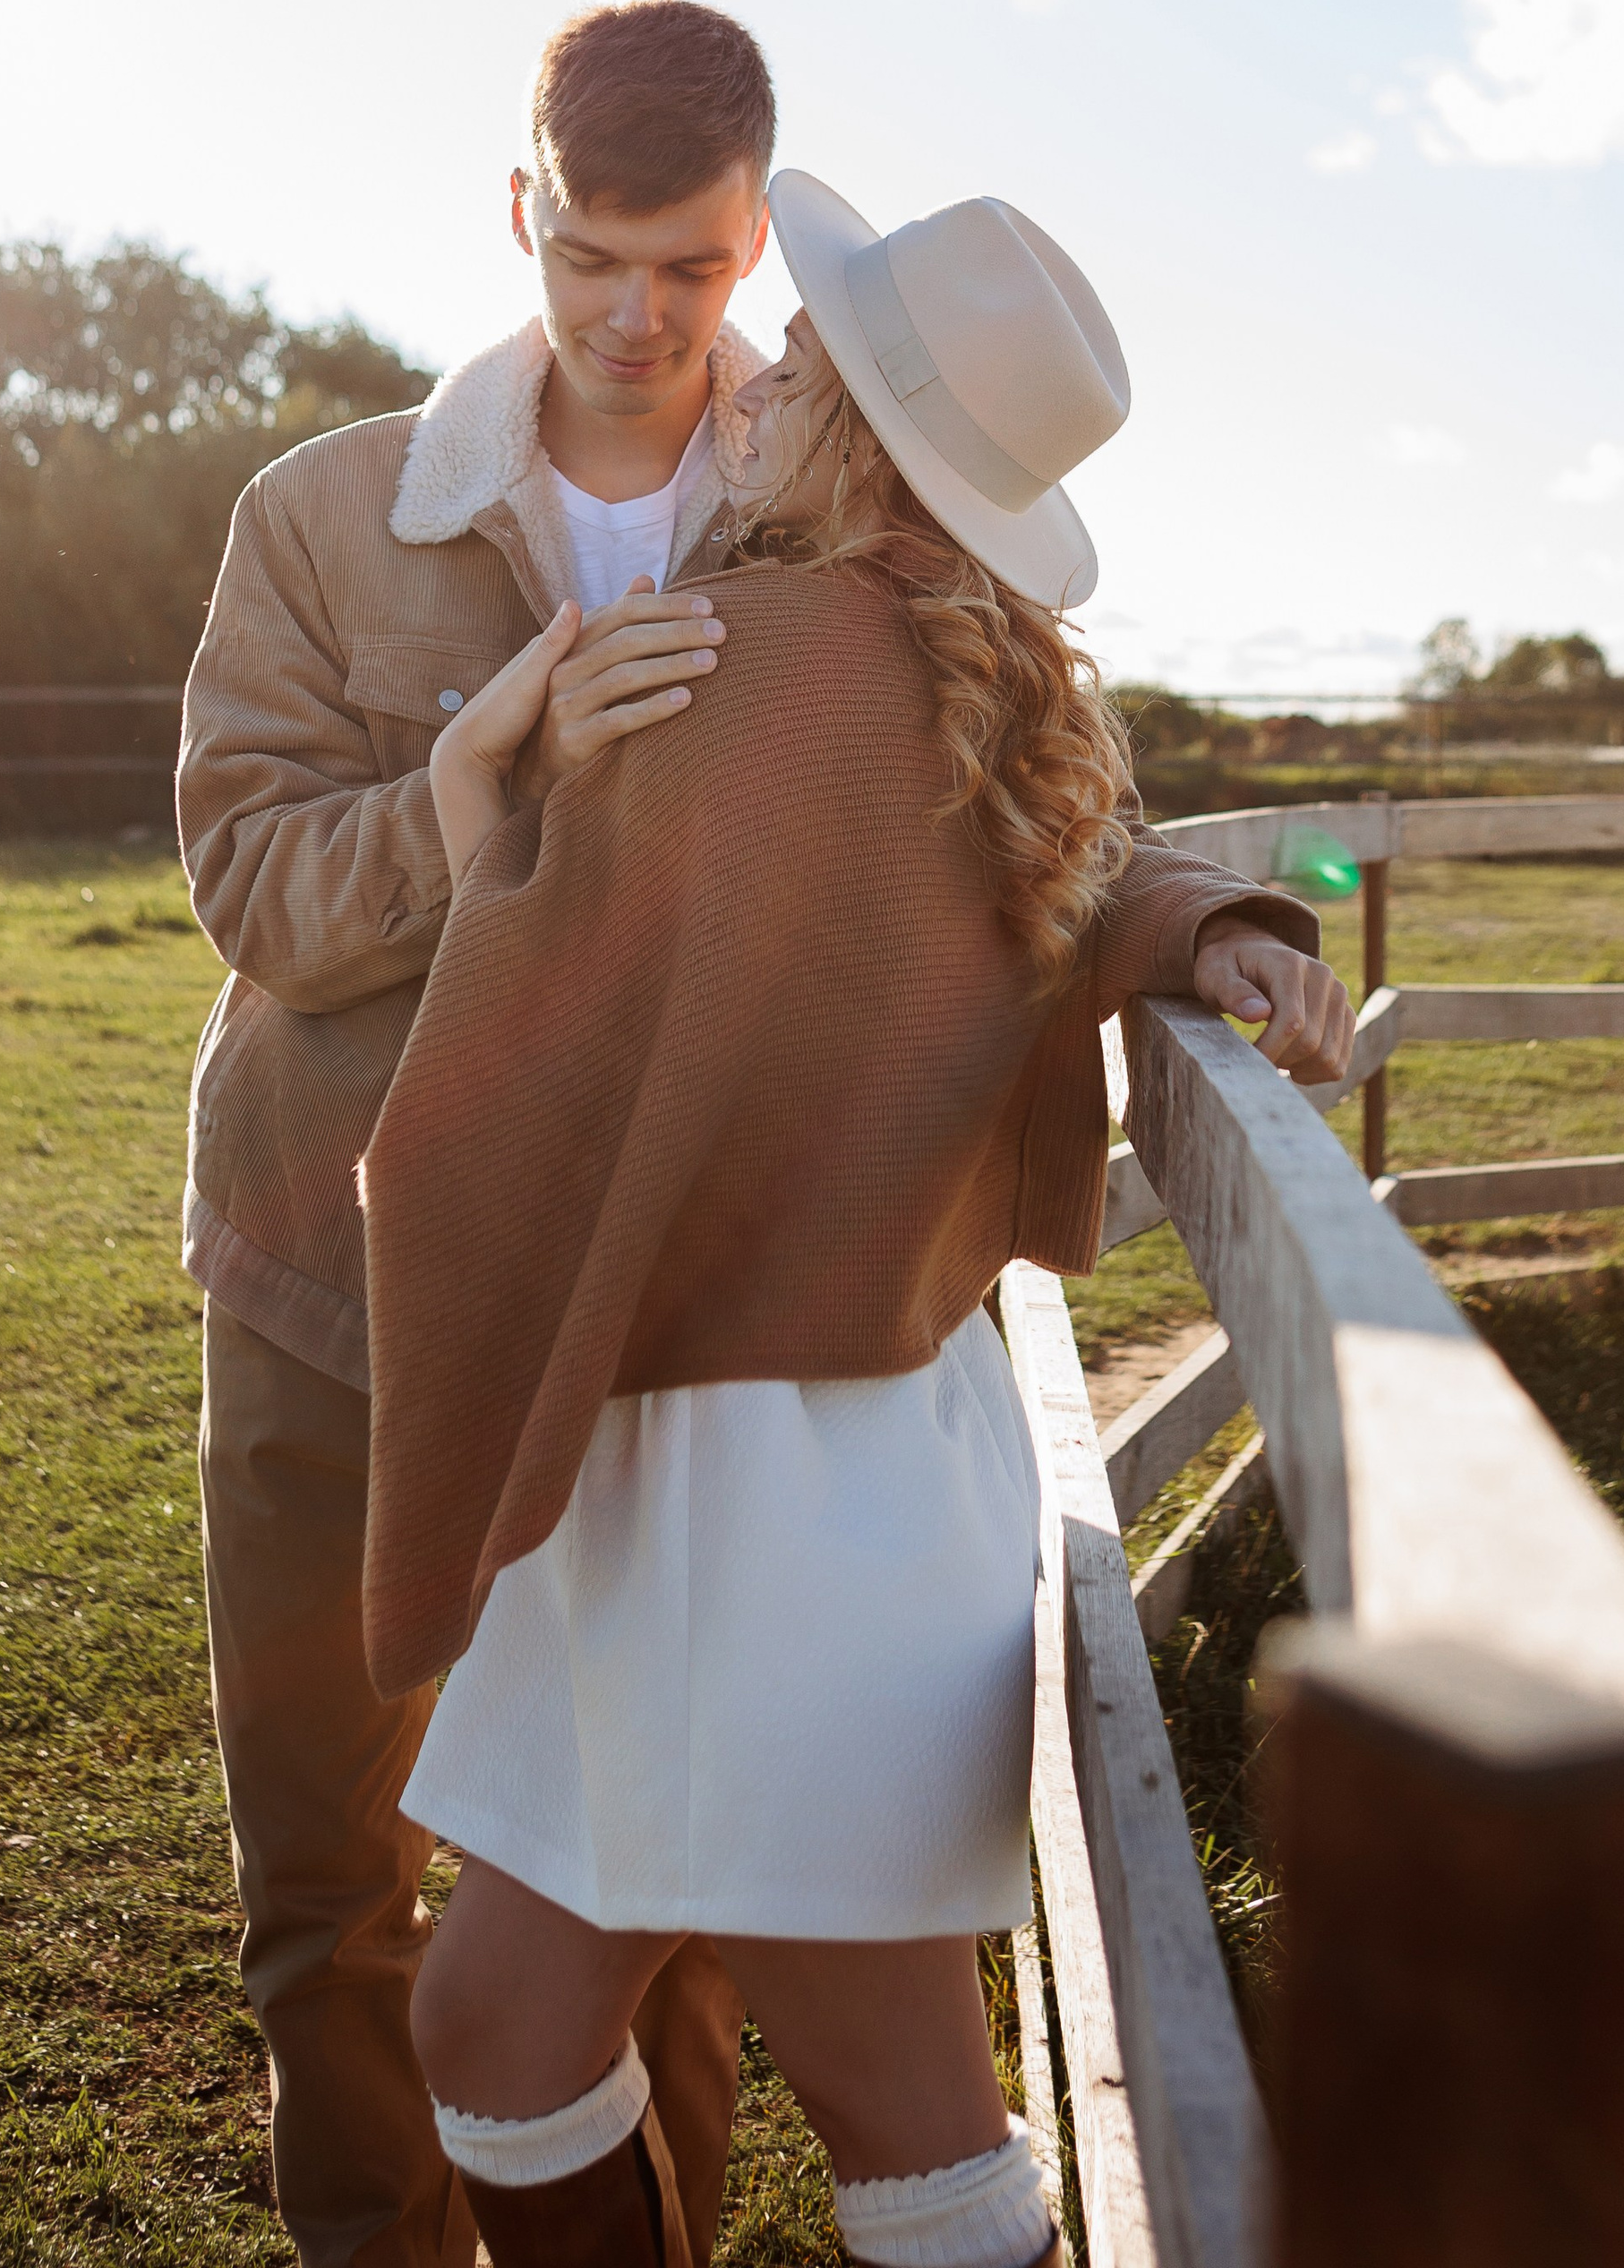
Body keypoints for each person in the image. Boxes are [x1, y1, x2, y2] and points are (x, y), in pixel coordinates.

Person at [357, 171, 1356, 2268]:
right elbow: (1091, 877)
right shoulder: (992, 681)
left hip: (733, 1480)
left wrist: (481, 800)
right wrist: (1222, 929)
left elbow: (523, 1060)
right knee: (500, 2021)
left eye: (809, 355)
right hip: (846, 1469)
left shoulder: (740, 664)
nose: (768, 364)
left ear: (855, 430)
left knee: (897, 2104)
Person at [177, 0, 795, 2268]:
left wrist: (1208, 922)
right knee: (327, 1885)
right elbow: (247, 884)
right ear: (521, 210)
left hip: (662, 1309)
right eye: (598, 258)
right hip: (328, 1286)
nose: (641, 320)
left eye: (697, 269)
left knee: (671, 1873)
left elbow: (1016, 782)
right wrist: (469, 795)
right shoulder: (323, 515)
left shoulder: (825, 496)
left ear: (755, 236)